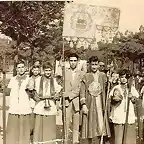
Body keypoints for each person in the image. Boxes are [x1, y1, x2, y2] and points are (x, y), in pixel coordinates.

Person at [27, 61, 62, 144]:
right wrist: (34, 96)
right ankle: (38, 141)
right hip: (40, 103)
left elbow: (59, 90)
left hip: (50, 103)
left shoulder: (54, 80)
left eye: (49, 70)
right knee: (39, 123)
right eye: (46, 70)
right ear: (43, 71)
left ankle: (50, 141)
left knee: (49, 124)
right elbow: (30, 91)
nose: (48, 72)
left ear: (52, 71)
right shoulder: (38, 80)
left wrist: (57, 95)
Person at [80, 56, 110, 144]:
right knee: (90, 124)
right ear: (89, 65)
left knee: (101, 123)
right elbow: (82, 91)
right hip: (90, 103)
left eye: (96, 65)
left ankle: (101, 140)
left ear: (98, 65)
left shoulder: (103, 75)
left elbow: (107, 88)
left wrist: (110, 81)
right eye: (92, 64)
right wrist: (84, 104)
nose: (94, 67)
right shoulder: (86, 76)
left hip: (100, 103)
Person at [109, 69, 139, 144]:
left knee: (129, 138)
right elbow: (111, 101)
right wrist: (116, 99)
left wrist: (132, 97)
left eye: (125, 77)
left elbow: (135, 100)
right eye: (122, 77)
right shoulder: (116, 88)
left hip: (128, 115)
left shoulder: (131, 88)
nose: (123, 79)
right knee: (118, 138)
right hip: (119, 113)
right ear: (119, 78)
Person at [6, 60, 32, 144]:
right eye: (19, 67)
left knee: (24, 130)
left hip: (25, 107)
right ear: (16, 69)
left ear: (25, 68)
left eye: (22, 67)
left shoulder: (29, 79)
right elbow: (7, 92)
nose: (21, 69)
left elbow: (32, 93)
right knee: (13, 130)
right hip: (14, 107)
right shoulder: (13, 79)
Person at [63, 53, 85, 144]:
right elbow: (61, 86)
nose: (73, 63)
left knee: (76, 123)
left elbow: (81, 88)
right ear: (68, 62)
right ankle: (65, 140)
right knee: (66, 122)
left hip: (76, 101)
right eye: (71, 61)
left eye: (74, 61)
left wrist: (69, 95)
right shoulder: (64, 72)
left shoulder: (82, 73)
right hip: (66, 102)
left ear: (78, 62)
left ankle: (75, 141)